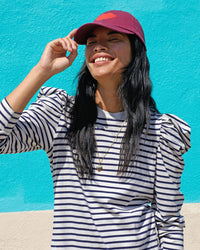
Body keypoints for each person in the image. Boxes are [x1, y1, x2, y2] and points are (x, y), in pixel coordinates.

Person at [0, 10, 191, 249]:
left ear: (136, 53)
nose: (99, 47)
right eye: (92, 42)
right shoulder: (60, 115)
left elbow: (169, 221)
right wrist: (42, 70)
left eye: (113, 39)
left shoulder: (160, 131)